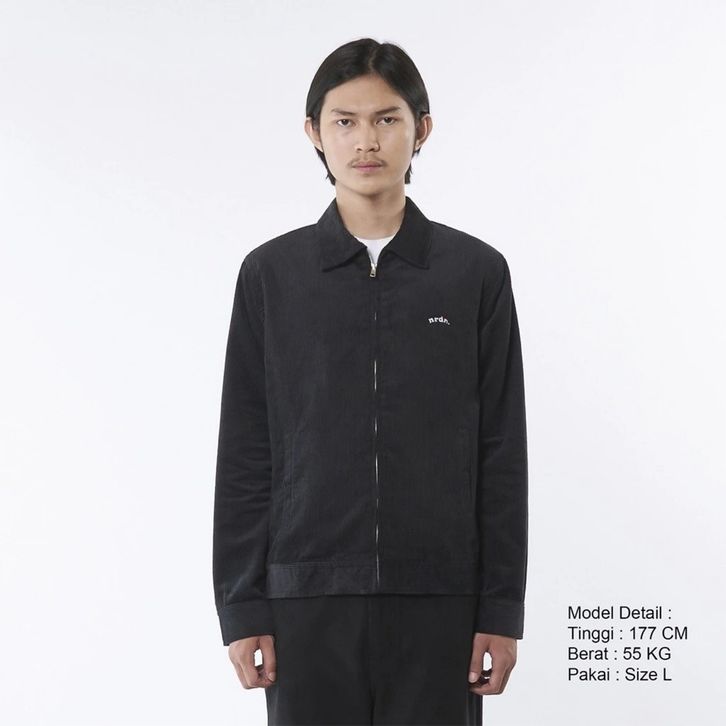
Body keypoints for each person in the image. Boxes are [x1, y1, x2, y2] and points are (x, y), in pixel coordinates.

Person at [213, 37, 528, 725]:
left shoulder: (475, 274)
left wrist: (502, 609)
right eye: (345, 121)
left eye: (387, 119)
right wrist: (241, 607)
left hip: (442, 602)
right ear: (314, 133)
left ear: (422, 129)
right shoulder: (272, 276)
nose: (366, 141)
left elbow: (501, 452)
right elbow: (246, 449)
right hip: (304, 603)